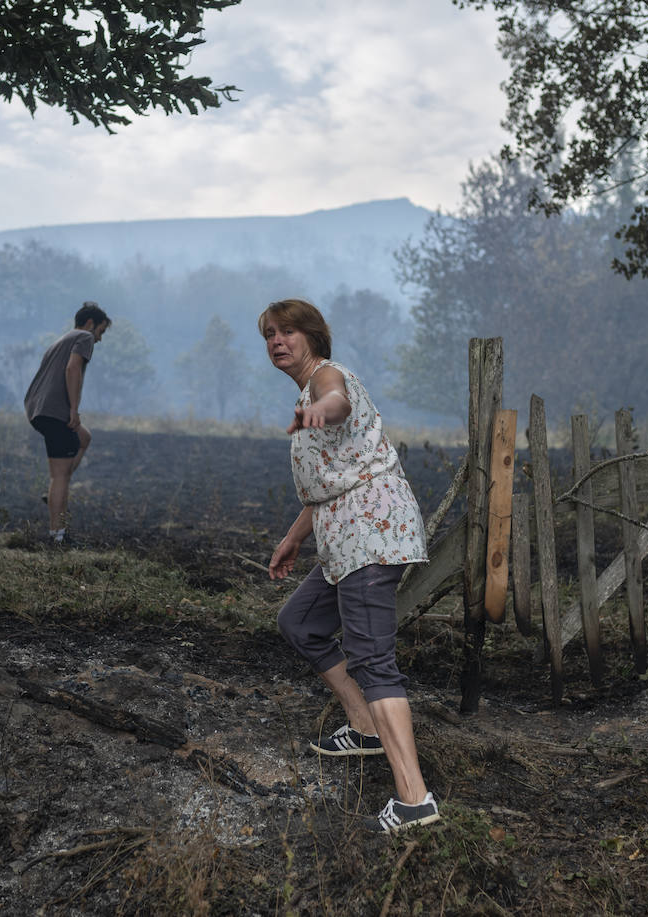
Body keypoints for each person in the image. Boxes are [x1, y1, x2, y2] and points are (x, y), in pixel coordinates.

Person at [261, 297, 440, 834]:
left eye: (288, 331)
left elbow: (335, 400)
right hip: (347, 537)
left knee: (372, 658)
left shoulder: (327, 379)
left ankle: (413, 800)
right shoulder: (307, 389)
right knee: (300, 623)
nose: (277, 341)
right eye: (269, 334)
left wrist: (322, 407)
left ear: (312, 335)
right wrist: (293, 540)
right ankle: (363, 726)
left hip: (370, 533)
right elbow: (326, 485)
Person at [24, 301, 110, 543]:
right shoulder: (84, 337)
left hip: (37, 409)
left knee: (84, 437)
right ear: (91, 323)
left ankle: (53, 494)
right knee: (60, 476)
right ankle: (57, 535)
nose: (100, 339)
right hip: (54, 411)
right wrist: (74, 409)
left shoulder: (61, 340)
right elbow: (73, 369)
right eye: (101, 331)